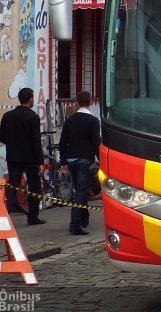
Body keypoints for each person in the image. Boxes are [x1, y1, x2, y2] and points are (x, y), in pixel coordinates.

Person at [0, 87, 45, 225]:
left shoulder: (7, 116)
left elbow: (1, 137)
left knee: (13, 185)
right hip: (30, 159)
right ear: (30, 98)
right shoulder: (33, 117)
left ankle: (8, 212)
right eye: (33, 97)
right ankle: (33, 217)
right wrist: (40, 162)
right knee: (34, 188)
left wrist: (13, 144)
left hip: (13, 157)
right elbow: (36, 142)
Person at [59, 91, 101, 235]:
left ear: (76, 102)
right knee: (81, 192)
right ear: (90, 102)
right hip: (85, 160)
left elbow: (62, 142)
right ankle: (75, 224)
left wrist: (62, 161)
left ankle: (84, 217)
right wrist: (101, 161)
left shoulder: (70, 120)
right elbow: (96, 143)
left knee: (79, 190)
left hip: (71, 159)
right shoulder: (93, 121)